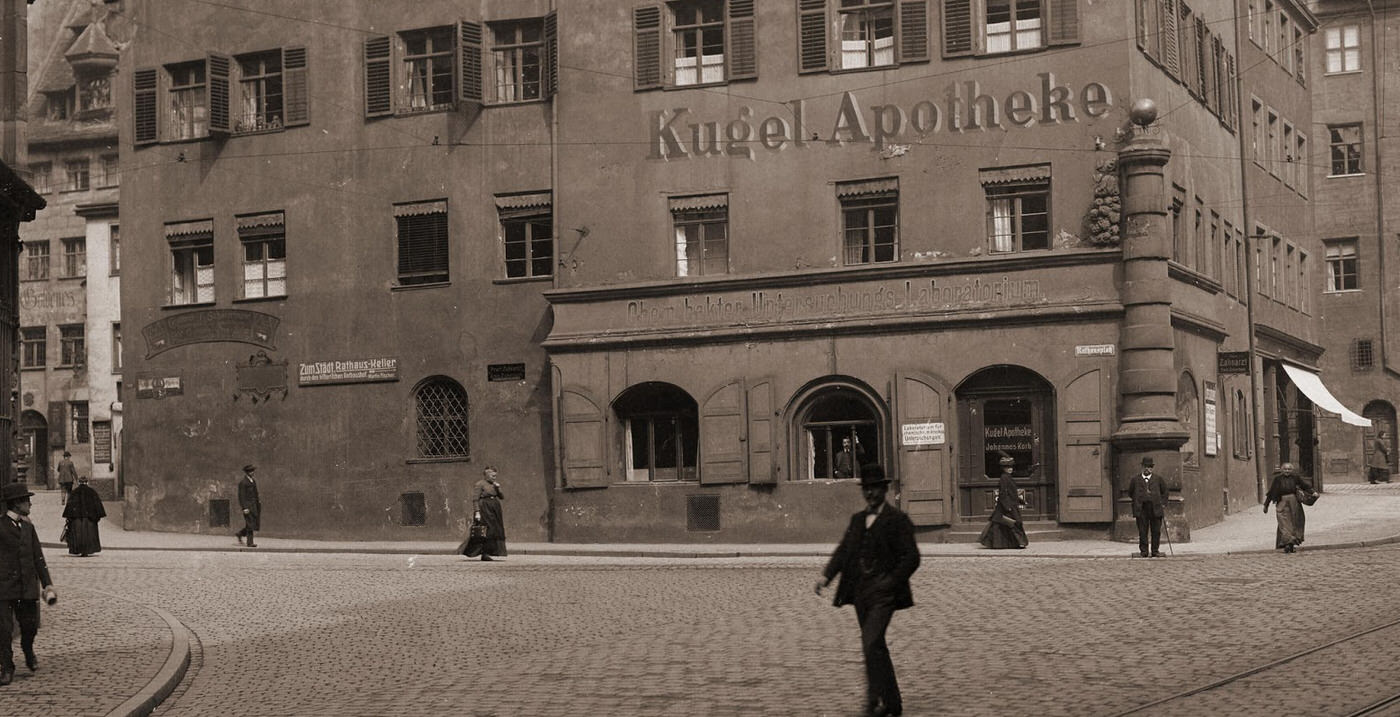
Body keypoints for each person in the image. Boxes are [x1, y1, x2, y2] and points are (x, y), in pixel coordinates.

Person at [815, 465, 920, 717]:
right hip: (861, 593)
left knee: (870, 642)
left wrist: (891, 581)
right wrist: (826, 576)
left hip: (884, 594)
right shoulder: (858, 520)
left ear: (884, 490)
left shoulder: (897, 520)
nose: (871, 494)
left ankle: (874, 702)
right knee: (876, 646)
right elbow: (843, 551)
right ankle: (893, 703)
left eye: (875, 489)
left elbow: (911, 557)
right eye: (867, 489)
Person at [0, 482, 57, 686]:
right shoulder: (1, 526)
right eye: (26, 500)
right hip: (5, 588)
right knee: (4, 630)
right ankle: (6, 667)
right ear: (16, 504)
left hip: (27, 588)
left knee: (30, 626)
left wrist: (47, 584)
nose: (30, 504)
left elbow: (37, 557)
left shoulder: (28, 527)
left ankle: (27, 649)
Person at [978, 455, 1028, 549]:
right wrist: (1007, 506)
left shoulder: (1008, 477)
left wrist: (1021, 501)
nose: (1010, 469)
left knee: (1006, 524)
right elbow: (1003, 494)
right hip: (1007, 506)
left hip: (1010, 504)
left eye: (1011, 467)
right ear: (1003, 468)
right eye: (1007, 467)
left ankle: (1010, 543)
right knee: (1011, 523)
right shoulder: (1004, 478)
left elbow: (1012, 492)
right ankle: (1014, 543)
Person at [462, 466, 506, 561]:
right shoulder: (480, 484)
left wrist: (498, 488)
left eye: (495, 475)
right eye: (492, 475)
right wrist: (477, 512)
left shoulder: (495, 485)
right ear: (486, 475)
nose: (494, 477)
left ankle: (492, 551)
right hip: (484, 509)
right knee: (487, 530)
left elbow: (501, 497)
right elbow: (475, 499)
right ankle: (484, 553)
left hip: (495, 509)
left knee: (495, 530)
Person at [1127, 456, 1167, 558]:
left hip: (1155, 509)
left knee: (1156, 531)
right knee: (1142, 531)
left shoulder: (1158, 479)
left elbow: (1165, 492)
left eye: (1149, 467)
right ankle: (1144, 552)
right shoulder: (1135, 480)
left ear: (1152, 468)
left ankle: (1155, 551)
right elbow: (1130, 492)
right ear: (1142, 467)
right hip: (1142, 509)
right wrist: (1138, 501)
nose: (1147, 469)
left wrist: (1163, 504)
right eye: (1145, 466)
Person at [1264, 462, 1308, 553]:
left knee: (1295, 521)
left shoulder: (1296, 478)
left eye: (1289, 469)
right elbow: (1271, 492)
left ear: (1291, 470)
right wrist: (1266, 505)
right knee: (1283, 522)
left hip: (1294, 501)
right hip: (1282, 501)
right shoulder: (1277, 479)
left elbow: (1305, 486)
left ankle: (1290, 544)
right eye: (1285, 469)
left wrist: (1313, 492)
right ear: (1282, 470)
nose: (1287, 471)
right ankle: (1288, 542)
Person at [61, 475, 105, 557]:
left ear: (79, 483)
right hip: (89, 520)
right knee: (89, 534)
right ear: (87, 482)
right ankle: (88, 550)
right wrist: (96, 518)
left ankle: (78, 549)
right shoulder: (92, 492)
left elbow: (69, 507)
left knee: (78, 535)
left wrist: (69, 518)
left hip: (77, 520)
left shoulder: (74, 492)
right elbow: (98, 507)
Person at [235, 464, 261, 548]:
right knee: (250, 524)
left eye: (253, 471)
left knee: (252, 523)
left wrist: (258, 503)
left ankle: (240, 534)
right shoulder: (243, 483)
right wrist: (244, 507)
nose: (252, 472)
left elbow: (255, 493)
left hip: (254, 506)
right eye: (250, 471)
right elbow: (241, 496)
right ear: (247, 472)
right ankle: (250, 542)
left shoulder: (253, 481)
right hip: (248, 506)